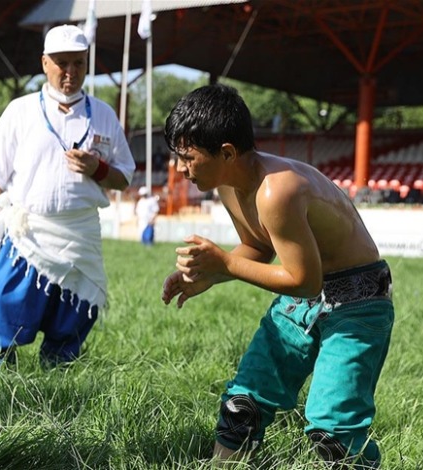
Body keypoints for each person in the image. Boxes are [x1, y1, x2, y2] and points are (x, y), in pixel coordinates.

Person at [161, 84, 394, 469]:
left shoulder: (277, 190)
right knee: (242, 407)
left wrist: (225, 263)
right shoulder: (228, 184)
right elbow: (257, 246)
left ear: (227, 153)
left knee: (333, 433)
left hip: (359, 302)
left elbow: (305, 280)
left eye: (187, 158)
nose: (180, 169)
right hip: (299, 304)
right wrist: (207, 276)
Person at [0, 24, 135, 374]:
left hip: (80, 235)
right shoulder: (21, 110)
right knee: (5, 311)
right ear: (45, 63)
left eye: (78, 63)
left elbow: (125, 175)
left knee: (70, 322)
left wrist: (98, 168)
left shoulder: (103, 114)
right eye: (61, 63)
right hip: (27, 233)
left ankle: (57, 384)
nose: (70, 72)